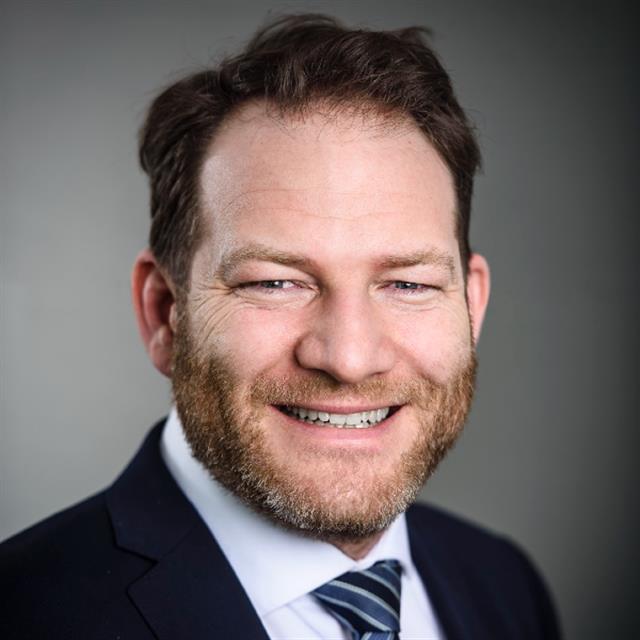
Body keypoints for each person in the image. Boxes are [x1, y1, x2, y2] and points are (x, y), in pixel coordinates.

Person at [0, 14, 561, 640]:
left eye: (408, 284)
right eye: (275, 283)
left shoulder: (503, 586)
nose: (349, 358)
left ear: (471, 307)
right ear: (164, 312)